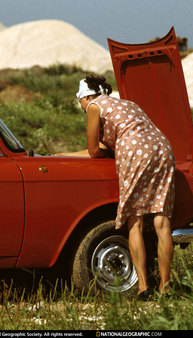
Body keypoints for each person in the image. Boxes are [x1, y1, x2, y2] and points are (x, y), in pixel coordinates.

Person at [58, 75, 175, 299]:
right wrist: (63, 155)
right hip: (162, 147)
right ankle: (166, 287)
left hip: (134, 151)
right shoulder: (128, 104)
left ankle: (143, 287)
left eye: (80, 101)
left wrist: (105, 151)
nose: (82, 107)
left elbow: (94, 151)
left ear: (88, 96)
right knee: (161, 221)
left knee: (135, 219)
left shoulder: (94, 106)